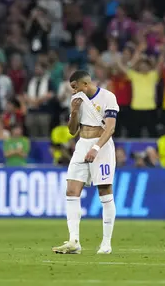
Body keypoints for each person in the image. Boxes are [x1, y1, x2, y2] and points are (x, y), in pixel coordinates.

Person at [52, 70, 119, 255]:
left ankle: (106, 243)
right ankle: (74, 241)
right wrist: (74, 112)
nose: (73, 91)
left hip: (102, 147)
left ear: (85, 84)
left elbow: (110, 127)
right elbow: (73, 131)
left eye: (75, 87)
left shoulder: (108, 97)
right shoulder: (76, 100)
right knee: (71, 191)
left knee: (105, 192)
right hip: (82, 145)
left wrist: (96, 148)